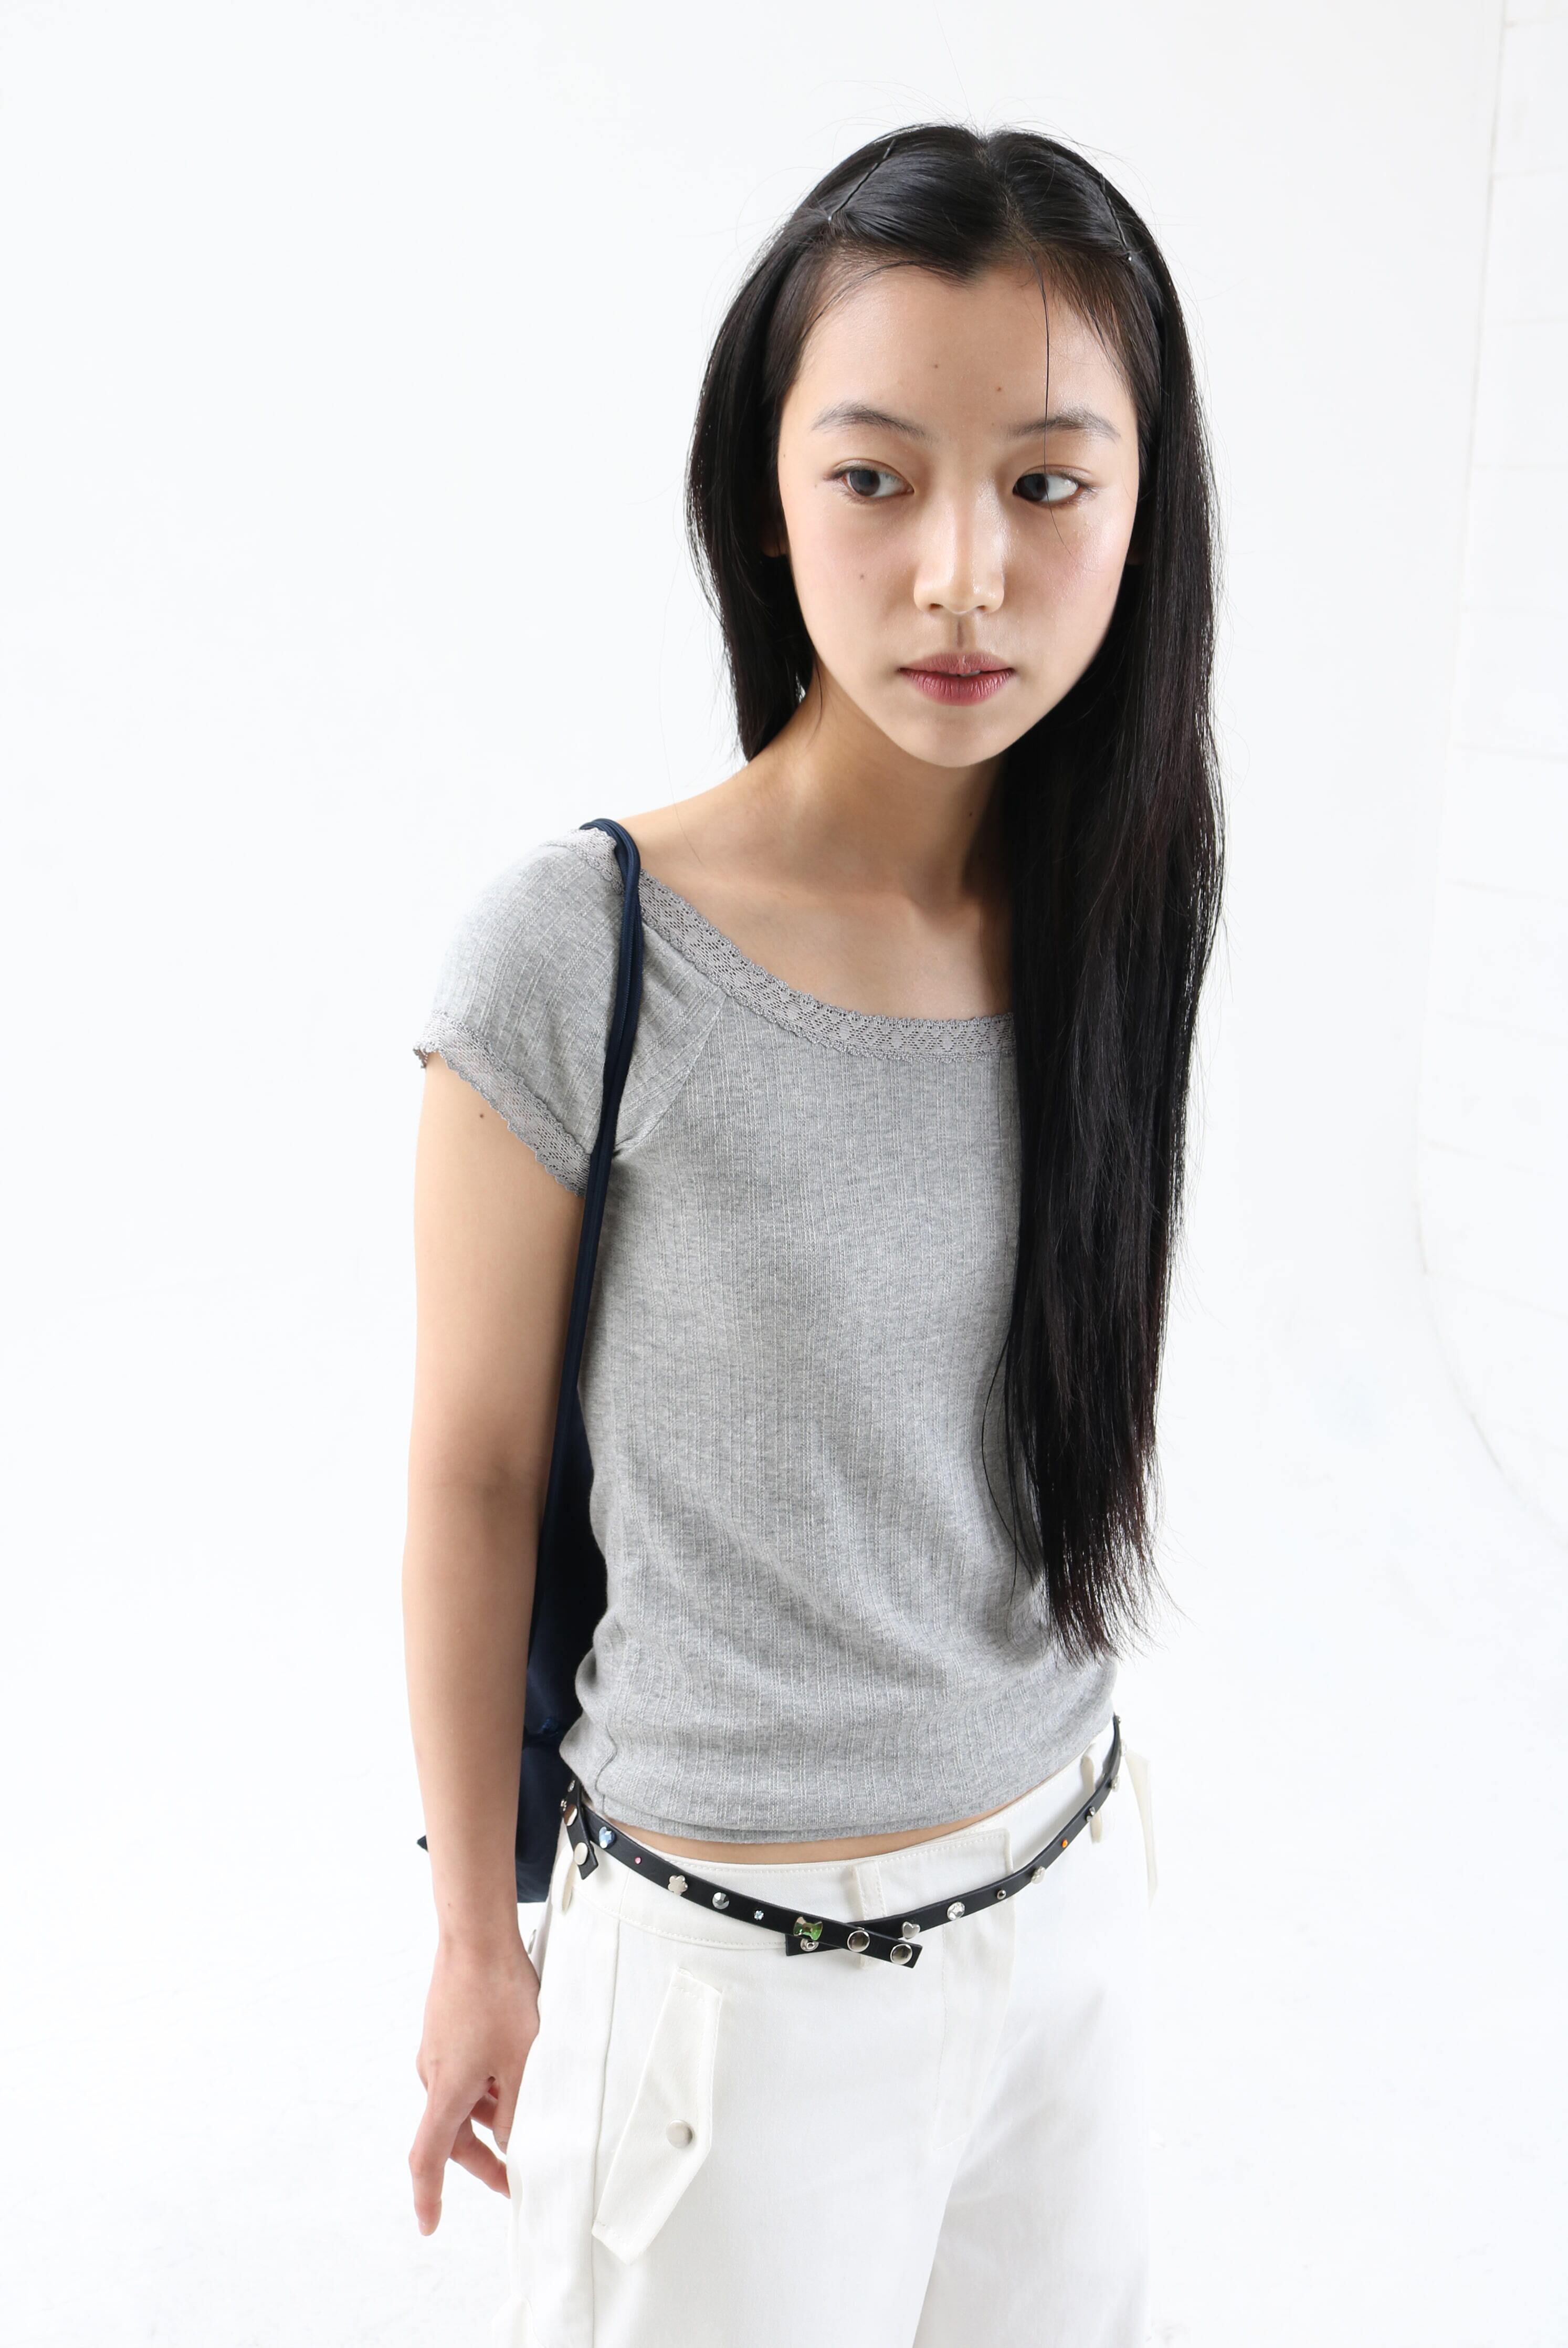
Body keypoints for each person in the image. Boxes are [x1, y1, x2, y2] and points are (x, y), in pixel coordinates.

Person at [402, 121, 1222, 2346]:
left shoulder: (1116, 916)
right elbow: (475, 1473)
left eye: (1045, 484)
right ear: (765, 496)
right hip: (728, 2000)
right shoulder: (583, 947)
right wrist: (477, 1935)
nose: (963, 573)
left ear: (1141, 513)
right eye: (877, 478)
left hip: (1065, 1917)